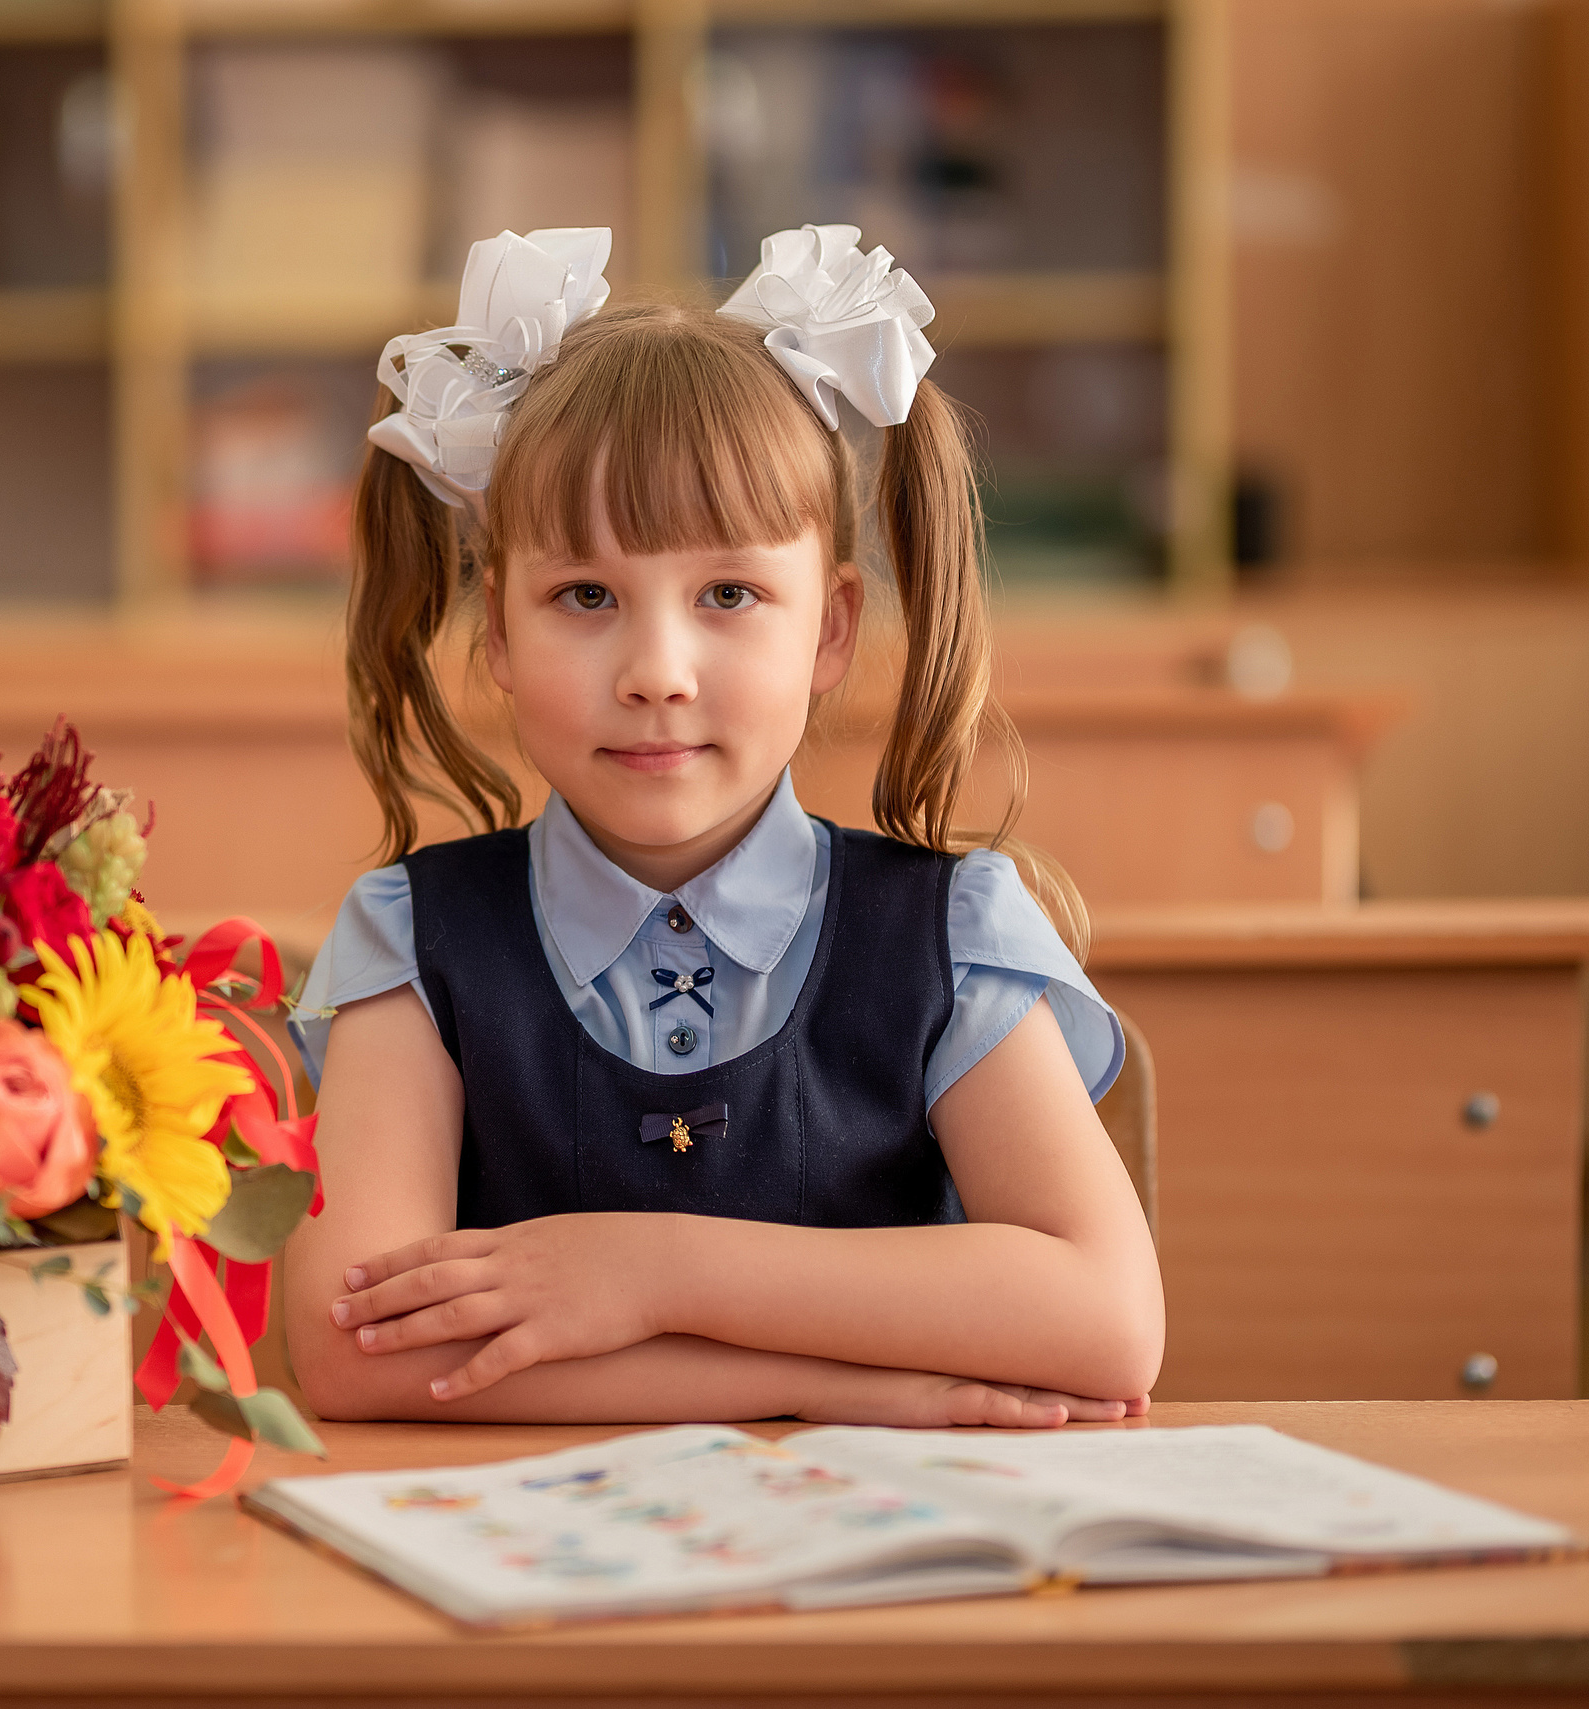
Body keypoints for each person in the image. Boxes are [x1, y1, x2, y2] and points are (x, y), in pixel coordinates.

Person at [284, 225, 1163, 1429]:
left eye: (729, 595)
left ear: (832, 628)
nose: (657, 670)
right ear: (495, 629)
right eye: (584, 596)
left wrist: (651, 1274)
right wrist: (830, 1382)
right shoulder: (412, 940)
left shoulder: (949, 931)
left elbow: (1106, 1318)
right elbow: (352, 1353)